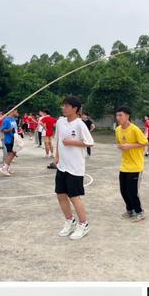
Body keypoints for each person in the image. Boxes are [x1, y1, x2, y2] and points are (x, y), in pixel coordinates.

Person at [54, 96, 94, 239]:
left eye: (66, 106)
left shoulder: (80, 124)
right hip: (62, 166)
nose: (63, 108)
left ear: (74, 109)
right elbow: (58, 139)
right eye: (63, 105)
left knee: (74, 196)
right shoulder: (60, 122)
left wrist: (72, 142)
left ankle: (84, 224)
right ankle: (69, 221)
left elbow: (89, 142)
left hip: (75, 167)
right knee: (60, 194)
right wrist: (57, 156)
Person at [115, 106, 148, 221]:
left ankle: (140, 211)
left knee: (132, 191)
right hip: (124, 165)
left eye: (121, 115)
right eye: (117, 115)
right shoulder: (118, 130)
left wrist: (130, 146)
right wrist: (121, 146)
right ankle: (130, 210)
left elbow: (144, 143)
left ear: (127, 116)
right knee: (123, 190)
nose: (118, 117)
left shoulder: (135, 129)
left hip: (135, 166)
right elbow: (119, 143)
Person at [0, 109, 19, 176]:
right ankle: (4, 168)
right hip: (9, 139)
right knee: (10, 154)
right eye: (16, 111)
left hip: (14, 139)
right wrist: (9, 130)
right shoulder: (6, 120)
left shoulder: (13, 119)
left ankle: (7, 167)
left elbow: (15, 128)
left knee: (12, 153)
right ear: (12, 111)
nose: (17, 112)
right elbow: (2, 129)